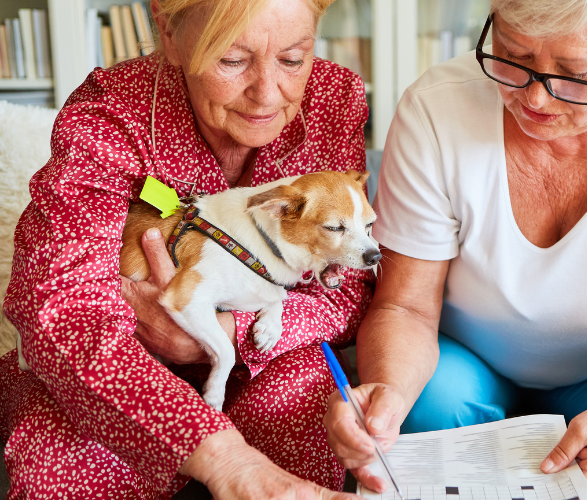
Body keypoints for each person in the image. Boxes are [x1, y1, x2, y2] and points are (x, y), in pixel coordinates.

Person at [325, 0, 587, 490]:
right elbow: (405, 307)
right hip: (466, 359)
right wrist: (388, 397)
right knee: (421, 410)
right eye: (513, 55)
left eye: (574, 75)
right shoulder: (436, 107)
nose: (536, 98)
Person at [0, 0, 371, 498]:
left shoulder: (333, 98)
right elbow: (59, 308)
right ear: (169, 32)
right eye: (232, 60)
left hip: (261, 355)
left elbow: (347, 293)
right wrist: (224, 458)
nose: (266, 94)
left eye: (292, 58)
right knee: (58, 457)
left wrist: (225, 332)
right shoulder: (110, 112)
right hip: (118, 364)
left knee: (307, 402)